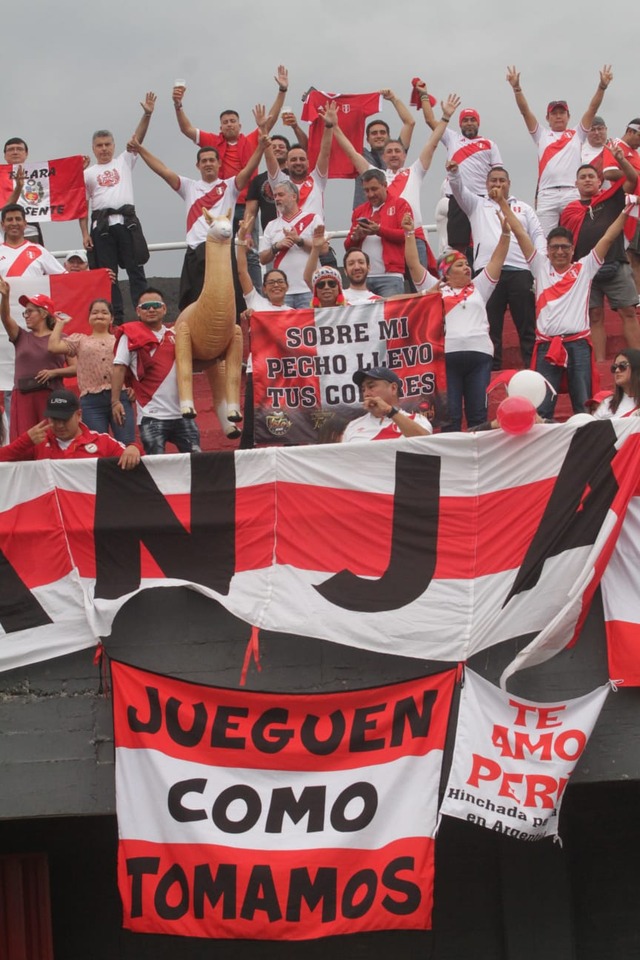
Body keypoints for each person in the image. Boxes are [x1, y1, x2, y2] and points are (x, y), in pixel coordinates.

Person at [497, 194, 633, 419]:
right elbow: (520, 233)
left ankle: (586, 450)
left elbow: (608, 237)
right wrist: (503, 203)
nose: (559, 252)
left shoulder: (585, 267)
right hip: (546, 346)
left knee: (583, 404)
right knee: (542, 407)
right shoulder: (539, 266)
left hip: (577, 344)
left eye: (565, 247)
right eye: (554, 248)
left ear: (572, 250)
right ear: (547, 250)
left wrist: (625, 212)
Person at [128, 106, 268, 310]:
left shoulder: (229, 186)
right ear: (198, 166)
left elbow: (248, 170)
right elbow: (162, 170)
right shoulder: (189, 187)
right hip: (196, 251)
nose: (208, 164)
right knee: (194, 304)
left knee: (231, 304)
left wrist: (261, 148)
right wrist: (140, 149)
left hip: (222, 251)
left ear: (219, 164)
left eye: (212, 160)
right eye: (204, 161)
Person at [405, 208, 511, 431]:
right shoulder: (435, 289)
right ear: (447, 271)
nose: (467, 267)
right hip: (447, 357)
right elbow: (414, 265)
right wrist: (408, 233)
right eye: (460, 264)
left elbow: (498, 259)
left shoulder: (480, 287)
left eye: (467, 263)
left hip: (479, 355)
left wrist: (505, 234)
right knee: (451, 416)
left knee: (478, 414)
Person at [333, 95, 459, 270]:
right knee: (395, 284)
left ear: (404, 155)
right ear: (383, 156)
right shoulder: (376, 174)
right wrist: (334, 126)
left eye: (397, 151)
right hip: (384, 237)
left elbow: (432, 143)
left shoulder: (414, 171)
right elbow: (351, 152)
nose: (393, 154)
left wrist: (445, 118)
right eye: (389, 151)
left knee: (420, 287)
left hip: (413, 237)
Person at [447, 162, 545, 369]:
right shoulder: (476, 204)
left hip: (521, 270)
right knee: (491, 324)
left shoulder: (524, 208)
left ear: (509, 183)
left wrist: (540, 265)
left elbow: (537, 235)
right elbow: (457, 189)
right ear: (486, 183)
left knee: (527, 324)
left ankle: (533, 367)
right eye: (493, 180)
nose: (498, 184)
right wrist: (454, 173)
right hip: (488, 273)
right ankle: (492, 369)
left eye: (502, 180)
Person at [506, 64, 613, 235]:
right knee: (544, 240)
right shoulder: (541, 135)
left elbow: (592, 109)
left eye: (562, 113)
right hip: (547, 195)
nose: (558, 116)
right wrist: (517, 88)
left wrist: (602, 87)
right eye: (554, 113)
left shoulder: (577, 134)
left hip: (571, 192)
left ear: (568, 116)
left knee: (575, 237)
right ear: (547, 118)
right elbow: (525, 112)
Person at [80, 92, 157, 324]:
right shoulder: (87, 173)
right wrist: (84, 234)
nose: (104, 149)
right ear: (93, 148)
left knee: (136, 269)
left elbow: (137, 139)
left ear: (113, 145)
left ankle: (144, 312)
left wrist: (147, 113)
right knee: (107, 275)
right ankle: (117, 319)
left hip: (126, 223)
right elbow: (82, 206)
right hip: (101, 226)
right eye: (99, 146)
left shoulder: (123, 161)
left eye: (107, 144)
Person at [560, 151, 640, 361]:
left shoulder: (612, 198)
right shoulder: (569, 210)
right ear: (576, 183)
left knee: (629, 312)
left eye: (591, 176)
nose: (587, 179)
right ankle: (600, 365)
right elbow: (566, 244)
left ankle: (638, 361)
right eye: (583, 177)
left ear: (599, 181)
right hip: (585, 270)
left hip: (616, 262)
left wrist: (621, 159)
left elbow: (632, 179)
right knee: (594, 317)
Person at [111, 288, 201, 455]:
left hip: (183, 414)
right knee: (156, 467)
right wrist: (115, 401)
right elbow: (119, 367)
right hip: (152, 417)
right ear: (138, 311)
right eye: (145, 307)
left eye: (155, 305)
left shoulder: (177, 335)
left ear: (164, 309)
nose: (151, 310)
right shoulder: (130, 335)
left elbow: (197, 363)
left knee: (196, 463)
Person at [417, 81, 503, 256]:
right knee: (457, 247)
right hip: (457, 199)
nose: (469, 123)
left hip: (482, 199)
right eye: (465, 120)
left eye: (472, 120)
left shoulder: (489, 144)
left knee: (485, 243)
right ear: (460, 124)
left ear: (478, 123)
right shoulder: (451, 138)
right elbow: (429, 120)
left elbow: (498, 175)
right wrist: (423, 95)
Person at [47, 300, 135, 444]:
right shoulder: (80, 340)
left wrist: (134, 388)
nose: (99, 315)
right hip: (91, 401)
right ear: (88, 318)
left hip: (120, 397)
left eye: (104, 312)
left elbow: (134, 367)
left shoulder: (121, 340)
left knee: (126, 444)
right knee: (96, 445)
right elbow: (53, 347)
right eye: (94, 312)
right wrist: (60, 324)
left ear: (111, 318)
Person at [235, 216, 289, 448]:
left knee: (290, 422)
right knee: (251, 424)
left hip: (285, 373)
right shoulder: (255, 302)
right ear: (264, 288)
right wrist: (240, 241)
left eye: (280, 282)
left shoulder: (295, 313)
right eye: (271, 282)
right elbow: (241, 272)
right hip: (256, 371)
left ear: (287, 287)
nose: (276, 285)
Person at [0, 280, 74, 439]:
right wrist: (5, 296)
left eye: (30, 311)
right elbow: (5, 317)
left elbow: (76, 368)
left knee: (50, 440)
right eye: (24, 312)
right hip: (23, 396)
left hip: (51, 397)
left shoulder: (63, 338)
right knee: (24, 442)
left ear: (44, 313)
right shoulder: (20, 336)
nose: (26, 316)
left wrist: (54, 372)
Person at [0, 388, 140, 467]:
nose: (59, 425)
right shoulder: (38, 442)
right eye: (54, 419)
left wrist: (134, 448)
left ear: (78, 415)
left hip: (89, 514)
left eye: (64, 419)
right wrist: (25, 441)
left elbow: (145, 463)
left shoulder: (101, 441)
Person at [344, 169, 412, 297]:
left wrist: (378, 230)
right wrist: (356, 237)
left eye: (374, 189)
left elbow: (406, 236)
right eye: (366, 190)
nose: (370, 194)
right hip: (363, 278)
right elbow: (348, 246)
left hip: (391, 276)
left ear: (385, 185)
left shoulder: (400, 204)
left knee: (391, 314)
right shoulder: (359, 211)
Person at [259, 180, 322, 308]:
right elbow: (263, 258)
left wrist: (299, 241)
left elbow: (324, 248)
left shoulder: (313, 219)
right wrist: (276, 247)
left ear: (294, 196)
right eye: (275, 196)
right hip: (282, 293)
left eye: (281, 195)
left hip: (308, 289)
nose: (277, 199)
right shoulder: (271, 226)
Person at [352, 89, 416, 208]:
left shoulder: (395, 152)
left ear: (388, 136)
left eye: (382, 132)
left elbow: (410, 123)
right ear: (367, 139)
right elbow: (342, 132)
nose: (379, 136)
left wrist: (393, 99)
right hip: (364, 215)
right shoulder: (360, 154)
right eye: (374, 133)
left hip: (392, 213)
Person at [342, 366, 432, 441]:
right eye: (363, 389)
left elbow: (427, 445)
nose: (366, 393)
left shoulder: (417, 420)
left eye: (371, 386)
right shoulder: (353, 426)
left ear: (393, 388)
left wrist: (390, 411)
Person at [602, 119, 640, 293]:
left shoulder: (634, 152)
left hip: (636, 207)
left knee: (635, 254)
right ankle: (631, 296)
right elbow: (608, 172)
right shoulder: (615, 145)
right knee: (629, 253)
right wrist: (634, 173)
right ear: (631, 131)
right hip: (625, 207)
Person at [0, 204, 65, 277]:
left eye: (18, 219)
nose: (14, 223)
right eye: (9, 220)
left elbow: (64, 278)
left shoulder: (39, 251)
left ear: (25, 224)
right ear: (2, 225)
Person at [3, 138, 44, 244]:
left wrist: (78, 170)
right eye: (11, 149)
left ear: (26, 154)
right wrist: (19, 187)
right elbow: (3, 208)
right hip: (5, 233)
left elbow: (62, 187)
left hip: (31, 231)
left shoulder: (41, 175)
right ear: (5, 155)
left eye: (19, 149)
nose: (15, 152)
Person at [592, 350, 640, 419]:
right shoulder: (608, 403)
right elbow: (593, 427)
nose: (617, 370)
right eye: (614, 367)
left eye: (622, 366)